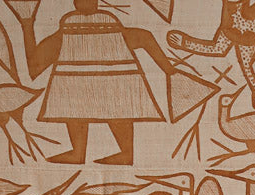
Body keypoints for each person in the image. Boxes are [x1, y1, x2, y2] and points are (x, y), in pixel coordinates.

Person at [19, 0, 174, 165]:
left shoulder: (92, 26)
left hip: (97, 86)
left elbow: (35, 65)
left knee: (96, 107)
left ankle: (103, 153)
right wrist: (169, 69)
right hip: (103, 85)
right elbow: (145, 37)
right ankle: (95, 152)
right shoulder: (78, 26)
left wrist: (27, 25)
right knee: (91, 108)